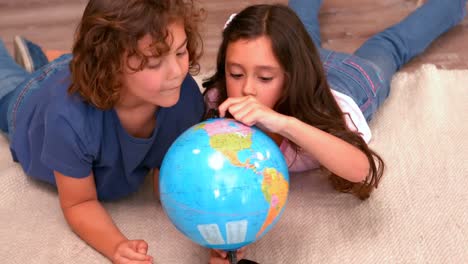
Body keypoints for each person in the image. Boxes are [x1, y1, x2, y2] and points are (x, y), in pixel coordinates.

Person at [204, 0, 465, 262]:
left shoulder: (331, 113)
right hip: (301, 60)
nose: (248, 89)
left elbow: (361, 170)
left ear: (292, 75)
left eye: (264, 78)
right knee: (300, 29)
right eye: (235, 73)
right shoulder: (219, 101)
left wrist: (283, 123)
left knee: (389, 45)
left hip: (352, 82)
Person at [0, 0, 204, 263]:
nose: (177, 72)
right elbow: (79, 203)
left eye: (181, 51)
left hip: (84, 71)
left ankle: (37, 55)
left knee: (69, 65)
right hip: (30, 101)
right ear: (111, 66)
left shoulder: (183, 98)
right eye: (154, 63)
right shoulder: (68, 118)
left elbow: (167, 174)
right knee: (6, 82)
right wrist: (116, 245)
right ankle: (37, 63)